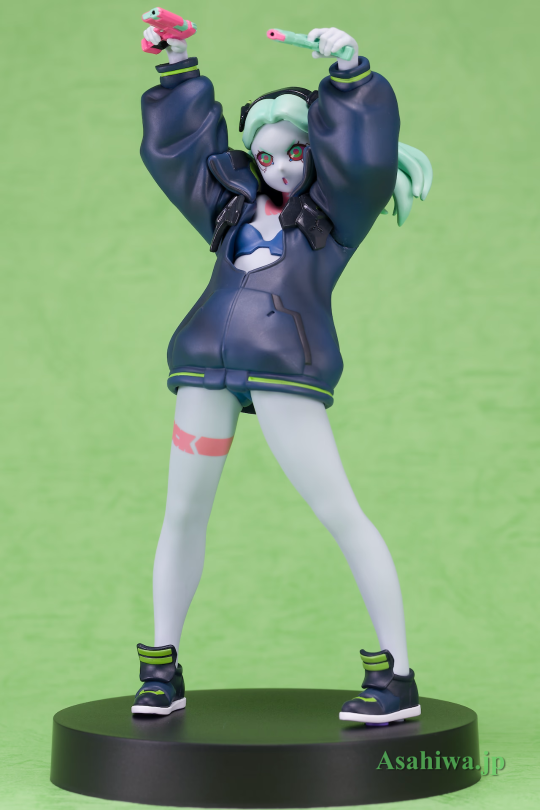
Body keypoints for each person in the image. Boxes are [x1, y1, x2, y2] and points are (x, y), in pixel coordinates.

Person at [132, 21, 432, 725]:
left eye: (296, 151)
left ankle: (397, 674)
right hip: (204, 368)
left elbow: (361, 155)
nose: (281, 166)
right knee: (182, 512)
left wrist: (349, 72)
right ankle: (161, 668)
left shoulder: (334, 211)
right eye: (265, 154)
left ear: (316, 150)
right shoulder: (230, 202)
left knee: (339, 511)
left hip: (283, 369)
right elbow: (183, 152)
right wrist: (178, 64)